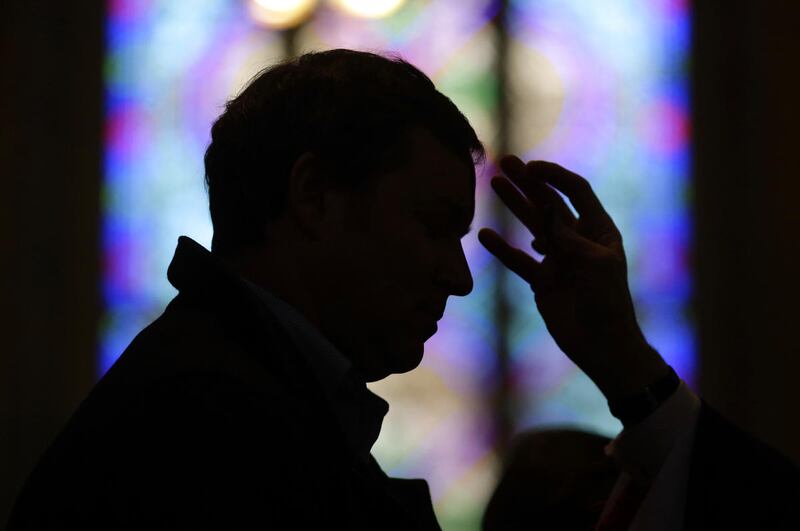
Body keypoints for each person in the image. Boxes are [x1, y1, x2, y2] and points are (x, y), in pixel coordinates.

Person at [7, 49, 798, 530]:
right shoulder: (203, 429)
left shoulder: (231, 391)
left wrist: (627, 364)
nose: (459, 278)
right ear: (314, 196)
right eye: (435, 224)